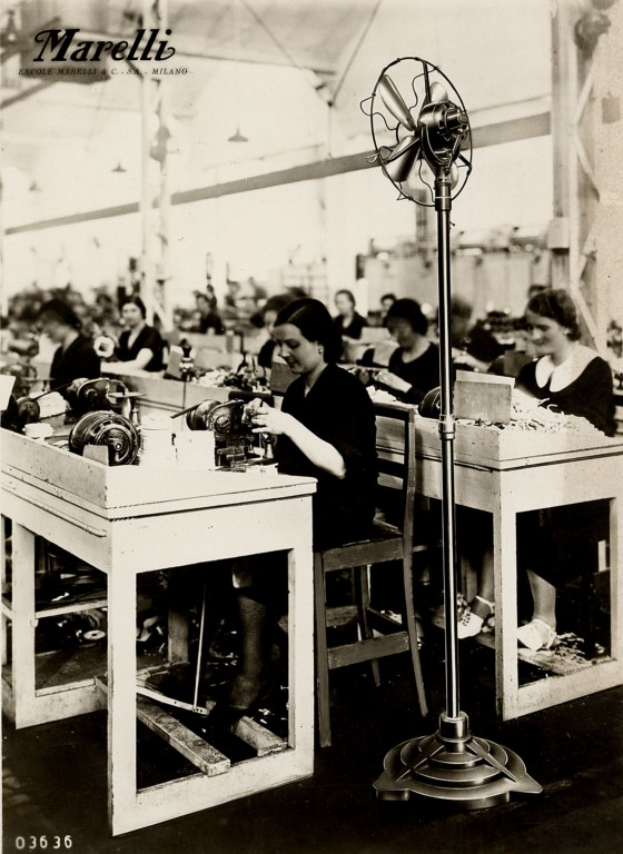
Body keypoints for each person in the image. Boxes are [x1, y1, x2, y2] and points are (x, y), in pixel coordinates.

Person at [213, 298, 377, 719]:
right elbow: (291, 461)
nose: (284, 353)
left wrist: (287, 424)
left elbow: (341, 466)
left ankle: (255, 673)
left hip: (343, 508)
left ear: (321, 344)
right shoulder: (297, 391)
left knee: (255, 545)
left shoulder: (346, 389)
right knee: (230, 531)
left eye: (292, 344)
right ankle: (261, 655)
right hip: (306, 500)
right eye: (280, 344)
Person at [458, 289, 616, 649]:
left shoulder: (593, 369)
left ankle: (545, 620)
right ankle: (487, 600)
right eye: (530, 327)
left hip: (579, 489)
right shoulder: (531, 370)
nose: (533, 335)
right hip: (534, 479)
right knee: (486, 505)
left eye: (542, 327)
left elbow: (595, 431)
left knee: (533, 517)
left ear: (566, 326)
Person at [375, 298, 440, 404]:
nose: (395, 336)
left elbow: (435, 404)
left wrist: (405, 387)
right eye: (392, 330)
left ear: (416, 325)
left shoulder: (435, 358)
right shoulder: (397, 354)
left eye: (400, 329)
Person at [37, 298, 100, 391]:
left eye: (47, 322)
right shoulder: (59, 352)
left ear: (61, 319)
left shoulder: (86, 351)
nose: (45, 330)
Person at [112, 296, 165, 372]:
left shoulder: (151, 334)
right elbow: (118, 359)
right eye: (125, 311)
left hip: (149, 381)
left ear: (142, 312)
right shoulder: (125, 336)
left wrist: (109, 367)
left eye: (133, 310)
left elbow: (139, 364)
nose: (129, 315)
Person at [256, 293, 294, 371]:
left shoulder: (300, 350)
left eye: (275, 323)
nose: (270, 329)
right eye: (267, 324)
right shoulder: (267, 349)